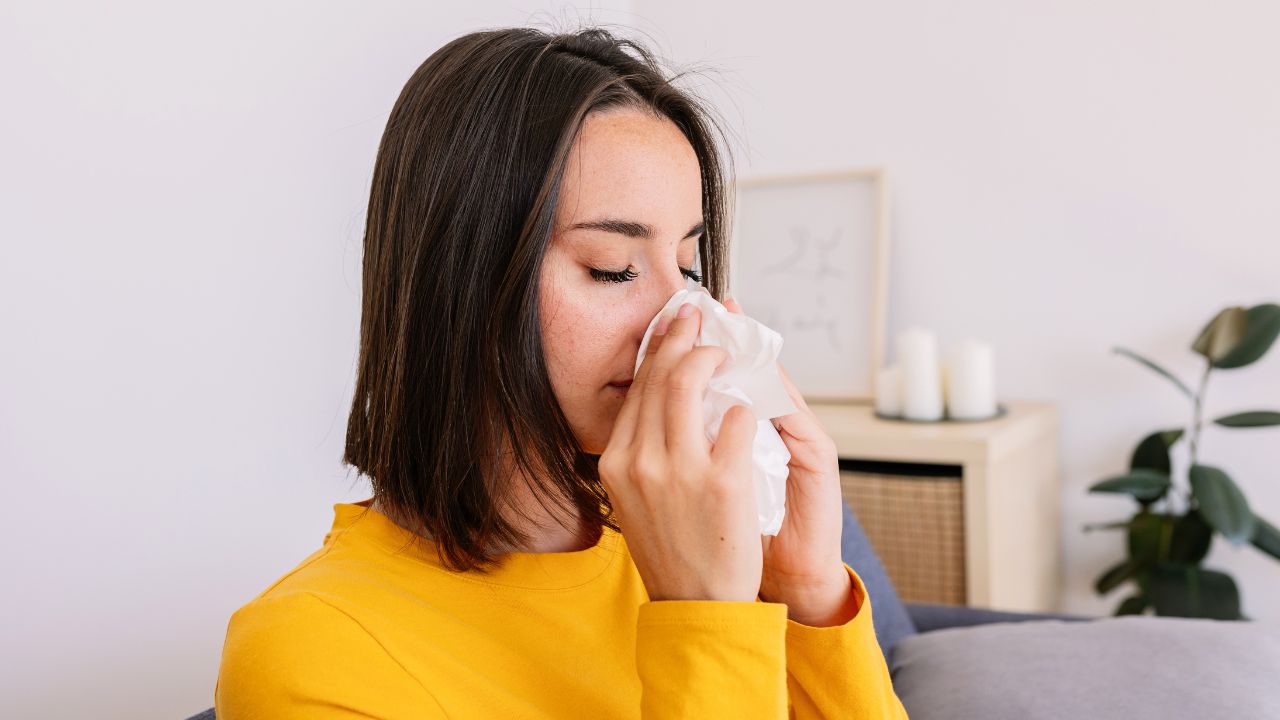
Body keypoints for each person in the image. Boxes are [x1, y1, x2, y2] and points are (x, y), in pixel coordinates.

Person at [214, 24, 907, 718]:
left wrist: (806, 590)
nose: (683, 318)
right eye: (614, 268)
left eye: (689, 266)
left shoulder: (687, 533)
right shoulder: (312, 656)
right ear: (461, 284)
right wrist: (702, 615)